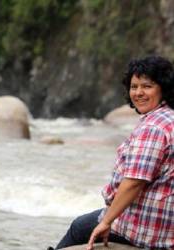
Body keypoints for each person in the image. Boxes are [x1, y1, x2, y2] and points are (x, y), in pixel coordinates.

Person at [51, 56, 174, 250]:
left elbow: (135, 182)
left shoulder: (154, 127)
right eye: (134, 87)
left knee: (79, 227)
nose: (139, 93)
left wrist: (107, 221)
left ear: (163, 88)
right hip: (165, 221)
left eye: (147, 86)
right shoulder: (169, 118)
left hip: (145, 227)